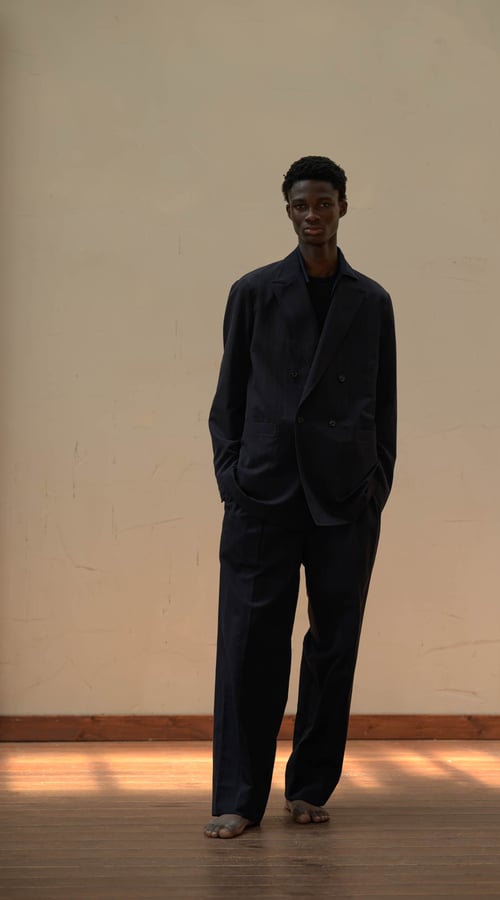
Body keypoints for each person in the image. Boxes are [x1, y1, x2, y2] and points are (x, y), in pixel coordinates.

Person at [205, 156, 396, 838]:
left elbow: (383, 403)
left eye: (323, 203)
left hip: (345, 497)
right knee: (249, 646)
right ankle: (238, 797)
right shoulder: (254, 292)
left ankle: (311, 785)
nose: (312, 215)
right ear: (287, 210)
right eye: (300, 205)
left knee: (333, 646)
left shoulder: (371, 301)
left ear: (343, 206)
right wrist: (233, 480)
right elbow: (229, 398)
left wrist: (375, 485)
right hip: (264, 493)